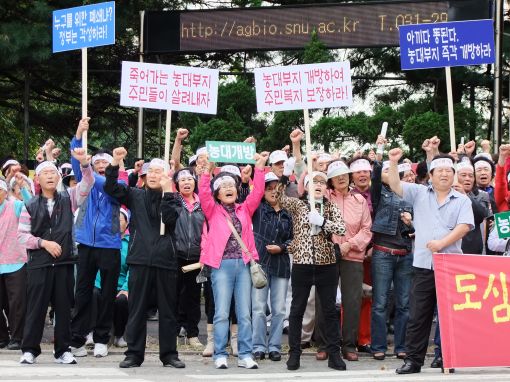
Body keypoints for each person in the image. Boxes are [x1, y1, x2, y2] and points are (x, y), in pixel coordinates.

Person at [385, 149, 474, 374]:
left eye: (448, 171)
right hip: (424, 265)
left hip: (451, 265)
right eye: (439, 170)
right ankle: (414, 361)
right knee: (418, 315)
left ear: (453, 175)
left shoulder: (462, 200)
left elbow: (464, 227)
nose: (444, 174)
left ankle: (448, 358)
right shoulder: (419, 193)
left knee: (450, 317)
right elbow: (395, 184)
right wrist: (393, 162)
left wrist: (442, 242)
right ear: (431, 175)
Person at [104, 148, 184, 369]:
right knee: (136, 309)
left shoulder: (174, 200)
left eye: (159, 171)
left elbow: (168, 221)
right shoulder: (134, 195)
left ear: (167, 176)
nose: (154, 175)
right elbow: (110, 188)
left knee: (168, 311)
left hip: (165, 260)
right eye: (151, 171)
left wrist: (168, 194)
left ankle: (169, 354)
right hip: (139, 260)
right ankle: (134, 354)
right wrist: (115, 163)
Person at [17, 149, 94, 365]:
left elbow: (87, 184)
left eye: (54, 172)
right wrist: (44, 243)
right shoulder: (29, 204)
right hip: (39, 264)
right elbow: (22, 237)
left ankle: (63, 350)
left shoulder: (69, 198)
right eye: (45, 173)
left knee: (63, 308)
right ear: (38, 179)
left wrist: (84, 164)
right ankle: (30, 349)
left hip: (64, 262)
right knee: (36, 308)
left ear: (59, 177)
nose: (50, 176)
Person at [199, 152, 269, 370]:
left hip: (244, 265)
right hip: (221, 267)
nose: (229, 188)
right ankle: (220, 353)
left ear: (237, 190)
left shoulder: (245, 209)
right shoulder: (212, 210)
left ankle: (245, 354)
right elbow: (202, 193)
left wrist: (259, 168)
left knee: (244, 313)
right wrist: (207, 171)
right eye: (223, 186)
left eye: (232, 185)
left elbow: (258, 192)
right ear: (217, 193)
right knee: (220, 312)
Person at [276, 166, 347, 371]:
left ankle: (334, 354)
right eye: (314, 182)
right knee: (297, 309)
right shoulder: (298, 205)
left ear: (326, 188)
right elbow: (280, 198)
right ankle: (294, 353)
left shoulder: (331, 206)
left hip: (327, 265)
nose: (318, 185)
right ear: (306, 187)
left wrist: (323, 221)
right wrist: (284, 173)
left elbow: (342, 229)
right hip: (302, 264)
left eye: (322, 182)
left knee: (330, 311)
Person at [69, 118, 126, 358]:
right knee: (82, 292)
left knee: (107, 292)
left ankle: (102, 338)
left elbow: (111, 184)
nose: (100, 165)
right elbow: (77, 159)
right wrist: (80, 132)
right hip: (86, 243)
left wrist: (93, 167)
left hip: (109, 243)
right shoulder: (85, 178)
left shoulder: (119, 181)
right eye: (96, 162)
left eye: (104, 162)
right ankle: (79, 338)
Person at [323, 160, 372, 362]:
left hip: (352, 255)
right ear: (330, 181)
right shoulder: (323, 198)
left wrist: (349, 244)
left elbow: (367, 229)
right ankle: (326, 344)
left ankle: (349, 345)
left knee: (352, 301)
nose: (341, 177)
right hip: (327, 255)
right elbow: (305, 185)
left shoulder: (360, 200)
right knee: (324, 300)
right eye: (336, 175)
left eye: (344, 173)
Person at [370, 159, 414, 361]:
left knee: (404, 304)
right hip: (383, 253)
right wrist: (379, 160)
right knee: (380, 303)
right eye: (389, 170)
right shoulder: (379, 193)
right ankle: (378, 345)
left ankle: (401, 346)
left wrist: (411, 223)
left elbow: (421, 224)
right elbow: (376, 177)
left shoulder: (412, 194)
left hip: (405, 254)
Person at [251, 172, 293, 362]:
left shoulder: (288, 214)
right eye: (268, 188)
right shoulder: (258, 210)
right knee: (259, 308)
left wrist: (282, 247)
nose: (273, 191)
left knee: (279, 309)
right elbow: (250, 193)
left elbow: (295, 239)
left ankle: (275, 346)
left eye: (277, 188)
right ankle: (258, 345)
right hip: (261, 264)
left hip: (282, 264)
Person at [172, 167, 205, 350]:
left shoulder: (203, 204)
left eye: (190, 179)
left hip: (196, 258)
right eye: (182, 180)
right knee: (174, 295)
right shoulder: (173, 202)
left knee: (193, 297)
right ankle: (174, 332)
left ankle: (193, 334)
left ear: (195, 183)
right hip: (176, 255)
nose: (186, 182)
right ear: (176, 184)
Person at [0, 174, 32, 351]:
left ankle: (17, 337)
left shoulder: (15, 206)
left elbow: (32, 207)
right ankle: (2, 337)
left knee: (17, 304)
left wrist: (23, 189)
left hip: (16, 261)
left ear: (5, 193)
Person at [93, 208, 131, 348]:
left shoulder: (131, 243)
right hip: (102, 283)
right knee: (94, 294)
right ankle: (92, 332)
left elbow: (132, 270)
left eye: (120, 219)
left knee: (122, 300)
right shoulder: (102, 241)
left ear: (126, 224)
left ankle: (119, 335)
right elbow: (96, 267)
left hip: (121, 285)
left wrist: (126, 288)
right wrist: (98, 286)